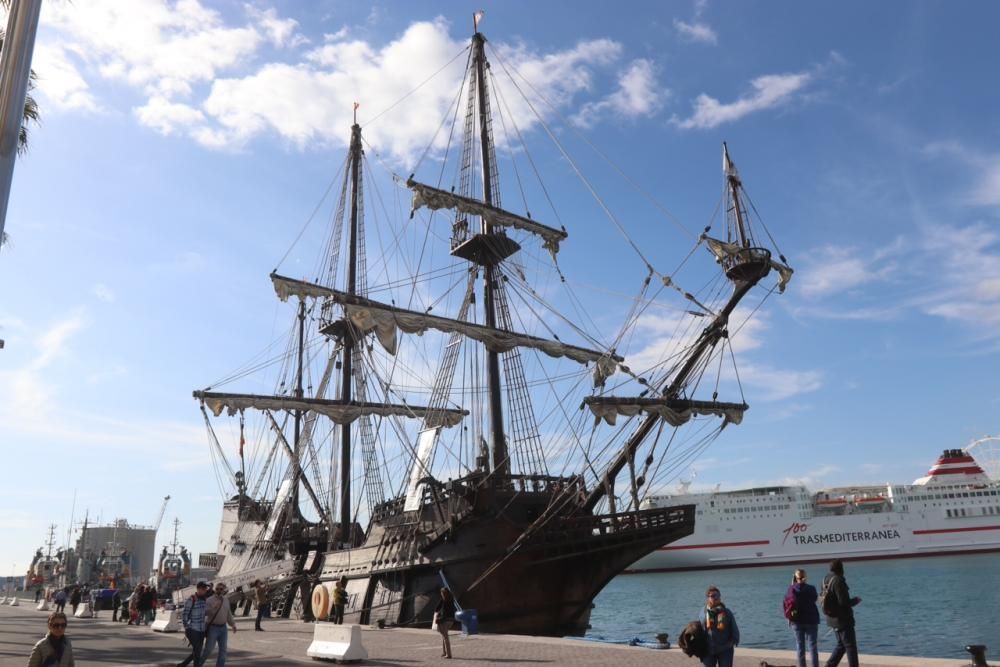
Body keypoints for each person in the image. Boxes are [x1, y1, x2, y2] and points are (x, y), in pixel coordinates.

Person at [822, 559, 862, 667]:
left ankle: (829, 665)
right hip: (843, 619)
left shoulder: (826, 578)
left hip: (832, 618)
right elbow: (843, 602)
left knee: (841, 645)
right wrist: (856, 600)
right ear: (841, 568)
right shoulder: (838, 580)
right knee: (850, 646)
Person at [786, 569, 820, 667]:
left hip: (796, 621)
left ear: (795, 578)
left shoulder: (791, 589)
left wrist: (792, 585)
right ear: (805, 577)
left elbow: (787, 601)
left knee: (800, 647)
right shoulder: (811, 588)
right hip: (811, 620)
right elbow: (814, 599)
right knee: (813, 647)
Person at [200, 582, 238, 667]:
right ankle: (198, 664)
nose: (219, 591)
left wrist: (233, 624)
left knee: (223, 650)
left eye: (221, 589)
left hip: (223, 628)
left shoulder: (226, 600)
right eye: (217, 589)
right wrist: (213, 607)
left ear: (224, 590)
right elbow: (204, 612)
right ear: (215, 589)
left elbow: (228, 613)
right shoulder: (209, 600)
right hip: (213, 628)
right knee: (208, 650)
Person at [701, 586, 739, 667]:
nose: (716, 598)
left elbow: (735, 632)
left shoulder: (726, 612)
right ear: (708, 598)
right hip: (708, 650)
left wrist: (730, 644)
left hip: (725, 649)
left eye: (717, 595)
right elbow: (700, 629)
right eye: (713, 596)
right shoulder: (703, 612)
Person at [179, 582, 210, 667]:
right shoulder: (191, 599)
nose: (205, 591)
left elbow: (206, 614)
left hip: (202, 630)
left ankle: (183, 664)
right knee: (197, 650)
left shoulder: (205, 600)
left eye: (205, 589)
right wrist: (187, 627)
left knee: (197, 650)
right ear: (198, 589)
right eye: (203, 589)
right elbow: (185, 614)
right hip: (193, 629)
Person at [434, 587, 456, 659]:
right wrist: (441, 600)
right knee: (444, 636)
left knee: (445, 637)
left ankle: (448, 654)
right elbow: (438, 608)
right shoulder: (451, 600)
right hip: (451, 621)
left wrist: (438, 620)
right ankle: (444, 652)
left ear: (443, 593)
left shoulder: (445, 601)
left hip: (445, 621)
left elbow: (437, 610)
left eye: (441, 593)